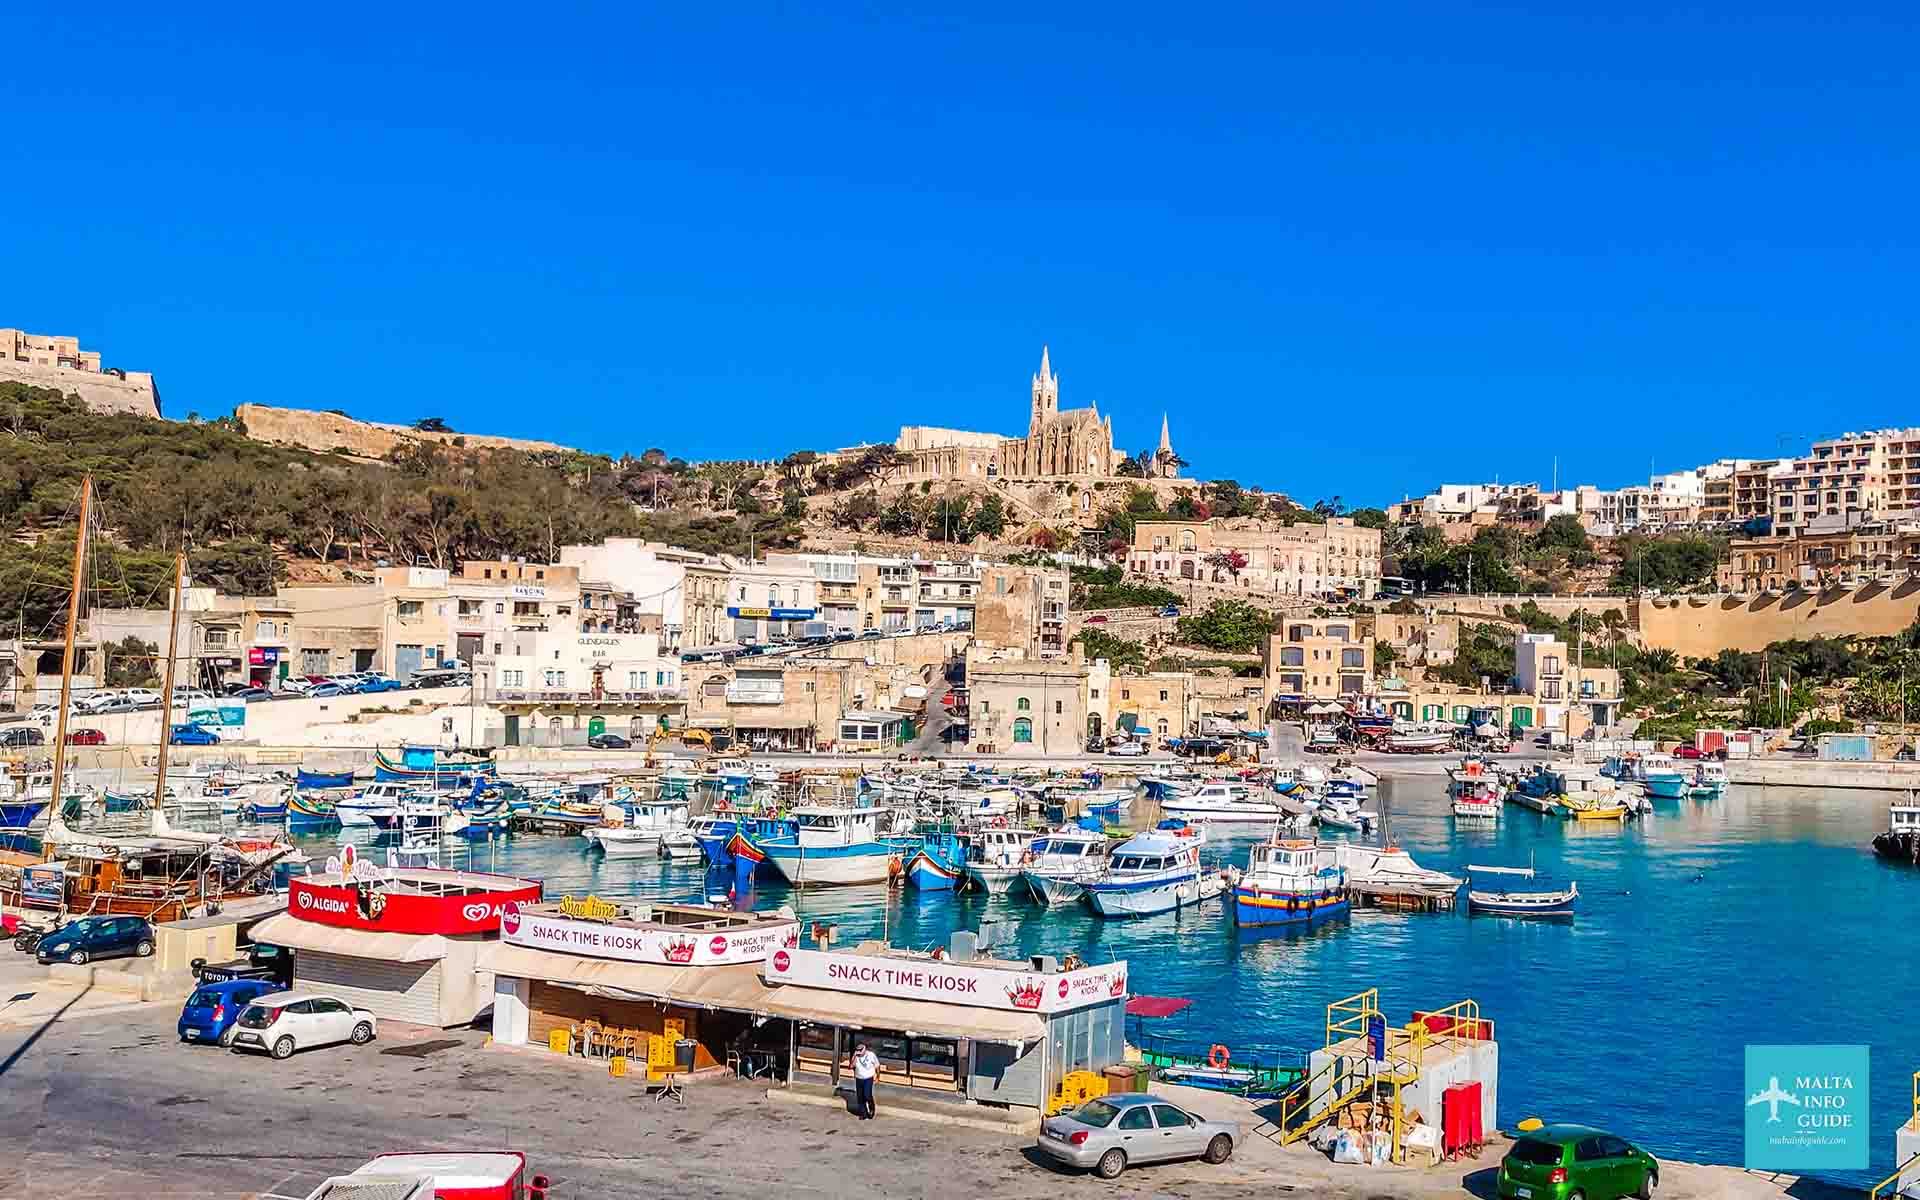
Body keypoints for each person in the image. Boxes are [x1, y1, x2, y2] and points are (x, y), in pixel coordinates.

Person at [851, 1041, 879, 1120]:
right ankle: (863, 1113)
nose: (859, 1052)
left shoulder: (871, 1055)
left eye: (860, 1050)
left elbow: (877, 1066)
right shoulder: (856, 1056)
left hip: (868, 1078)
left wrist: (878, 1077)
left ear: (865, 1049)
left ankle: (871, 1108)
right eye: (857, 1050)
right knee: (860, 1097)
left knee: (867, 1095)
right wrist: (854, 1056)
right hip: (859, 1078)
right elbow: (851, 1066)